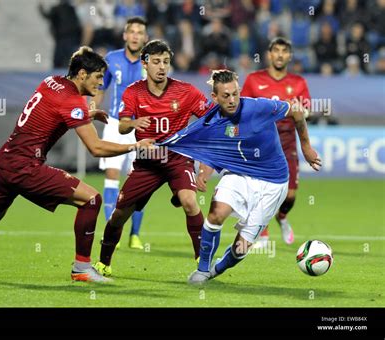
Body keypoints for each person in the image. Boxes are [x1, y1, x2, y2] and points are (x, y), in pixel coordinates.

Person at [0, 46, 154, 283]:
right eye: (97, 77)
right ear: (82, 74)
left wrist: (89, 114)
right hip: (25, 167)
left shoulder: (51, 81)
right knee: (91, 199)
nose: (100, 83)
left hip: (3, 161)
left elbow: (56, 108)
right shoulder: (72, 101)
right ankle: (81, 268)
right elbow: (95, 148)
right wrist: (135, 146)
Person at [159, 69, 321, 285]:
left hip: (273, 182)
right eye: (226, 96)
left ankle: (215, 270)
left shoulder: (259, 107)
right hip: (239, 173)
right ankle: (202, 269)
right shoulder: (212, 121)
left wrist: (306, 147)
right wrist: (203, 173)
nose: (232, 100)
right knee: (216, 214)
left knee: (240, 247)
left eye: (235, 93)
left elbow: (297, 111)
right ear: (214, 98)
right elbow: (213, 148)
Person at [93, 40, 213, 277]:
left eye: (166, 62)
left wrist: (204, 164)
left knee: (190, 202)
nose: (162, 67)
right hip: (147, 163)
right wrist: (134, 123)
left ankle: (204, 263)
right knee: (119, 215)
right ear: (145, 64)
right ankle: (103, 262)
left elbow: (210, 117)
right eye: (156, 62)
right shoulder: (133, 92)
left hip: (178, 159)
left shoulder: (186, 91)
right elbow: (124, 125)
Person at [240, 37, 311, 247]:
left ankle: (281, 217)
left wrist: (297, 110)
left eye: (284, 51)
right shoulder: (254, 79)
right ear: (269, 54)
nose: (280, 54)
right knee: (260, 191)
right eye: (276, 50)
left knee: (289, 196)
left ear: (289, 56)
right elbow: (244, 108)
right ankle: (262, 232)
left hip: (287, 143)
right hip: (261, 143)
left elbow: (305, 110)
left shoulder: (298, 83)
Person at [92, 17, 148, 250]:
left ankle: (135, 234)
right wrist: (93, 109)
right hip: (115, 125)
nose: (135, 36)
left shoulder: (151, 62)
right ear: (125, 35)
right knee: (112, 175)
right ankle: (110, 229)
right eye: (131, 32)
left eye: (140, 32)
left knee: (139, 182)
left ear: (145, 37)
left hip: (141, 127)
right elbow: (100, 88)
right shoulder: (111, 59)